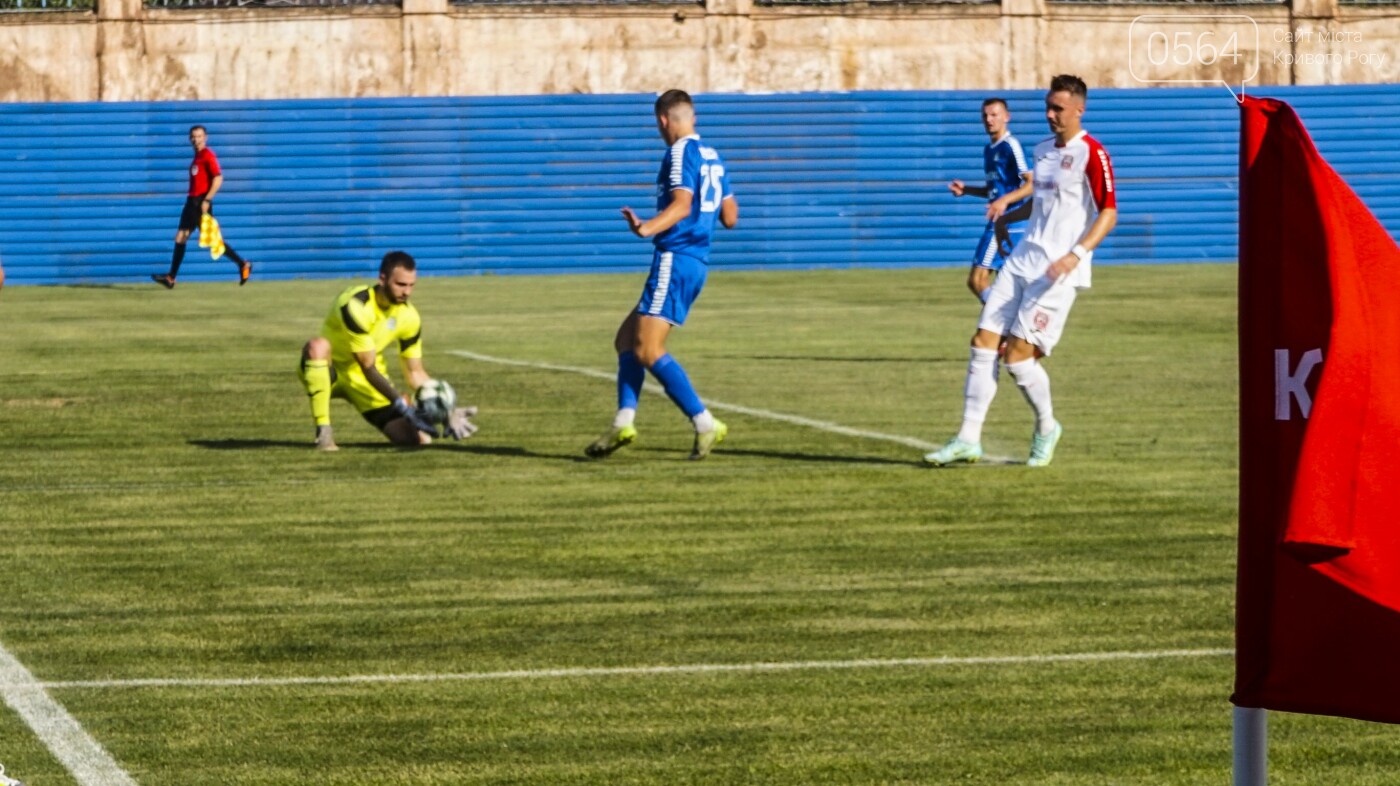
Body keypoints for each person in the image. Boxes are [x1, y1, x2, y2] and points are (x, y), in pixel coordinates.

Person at [924, 74, 1118, 468]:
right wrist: (1006, 215)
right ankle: (967, 439)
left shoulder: (1092, 153)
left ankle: (1047, 426)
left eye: (1058, 109)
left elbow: (1109, 212)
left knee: (1016, 358)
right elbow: (1040, 205)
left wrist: (1076, 254)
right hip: (1023, 259)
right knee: (982, 341)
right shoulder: (1043, 150)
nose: (1050, 115)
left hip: (1057, 272)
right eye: (1048, 107)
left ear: (1079, 109)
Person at [584, 89, 739, 461]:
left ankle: (704, 422)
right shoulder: (713, 157)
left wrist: (647, 227)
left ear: (663, 120)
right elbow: (731, 217)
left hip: (675, 256)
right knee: (626, 340)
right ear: (693, 117)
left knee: (648, 349)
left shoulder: (678, 153)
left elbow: (682, 204)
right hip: (697, 262)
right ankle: (624, 419)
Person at [296, 251, 477, 451]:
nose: (407, 292)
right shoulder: (356, 304)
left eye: (411, 285)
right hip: (329, 369)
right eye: (400, 284)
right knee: (317, 346)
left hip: (365, 382)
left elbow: (415, 373)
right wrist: (401, 404)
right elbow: (367, 365)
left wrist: (446, 409)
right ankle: (324, 431)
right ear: (382, 279)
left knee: (416, 441)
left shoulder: (410, 317)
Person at [948, 98, 1032, 302]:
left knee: (977, 280)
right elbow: (995, 192)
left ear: (1006, 117)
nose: (989, 119)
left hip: (1006, 223)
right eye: (985, 115)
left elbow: (1032, 183)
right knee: (1007, 287)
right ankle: (1008, 327)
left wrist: (1004, 202)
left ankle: (998, 325)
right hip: (1002, 222)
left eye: (994, 115)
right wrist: (966, 190)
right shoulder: (989, 150)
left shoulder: (1010, 145)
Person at [151, 125, 253, 288]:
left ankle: (243, 264)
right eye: (193, 136)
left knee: (212, 241)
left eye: (199, 136)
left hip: (199, 203)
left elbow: (218, 178)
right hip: (191, 202)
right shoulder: (197, 157)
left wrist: (207, 200)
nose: (196, 139)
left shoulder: (207, 155)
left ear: (205, 137)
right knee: (181, 237)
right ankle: (171, 277)